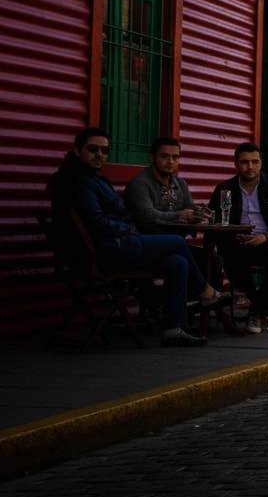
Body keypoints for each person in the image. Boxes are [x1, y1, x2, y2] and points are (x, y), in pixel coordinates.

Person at [48, 127, 224, 346]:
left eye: (104, 150)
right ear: (77, 150)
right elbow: (96, 222)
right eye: (93, 149)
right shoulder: (79, 182)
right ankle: (206, 293)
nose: (99, 155)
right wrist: (127, 228)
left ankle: (174, 329)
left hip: (117, 246)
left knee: (178, 262)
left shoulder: (94, 180)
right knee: (177, 243)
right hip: (105, 251)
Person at [210, 142, 268, 334]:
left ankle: (256, 309)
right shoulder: (225, 189)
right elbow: (214, 218)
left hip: (267, 241)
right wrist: (230, 234)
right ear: (236, 163)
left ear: (261, 163)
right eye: (245, 162)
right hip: (237, 244)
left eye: (254, 162)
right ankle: (261, 308)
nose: (250, 167)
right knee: (230, 259)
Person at [123, 137, 210, 232]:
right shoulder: (139, 184)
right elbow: (146, 215)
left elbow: (189, 207)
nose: (170, 162)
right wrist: (181, 215)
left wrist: (199, 212)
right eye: (164, 156)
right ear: (152, 157)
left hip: (176, 239)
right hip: (147, 239)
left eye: (175, 157)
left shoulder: (181, 183)